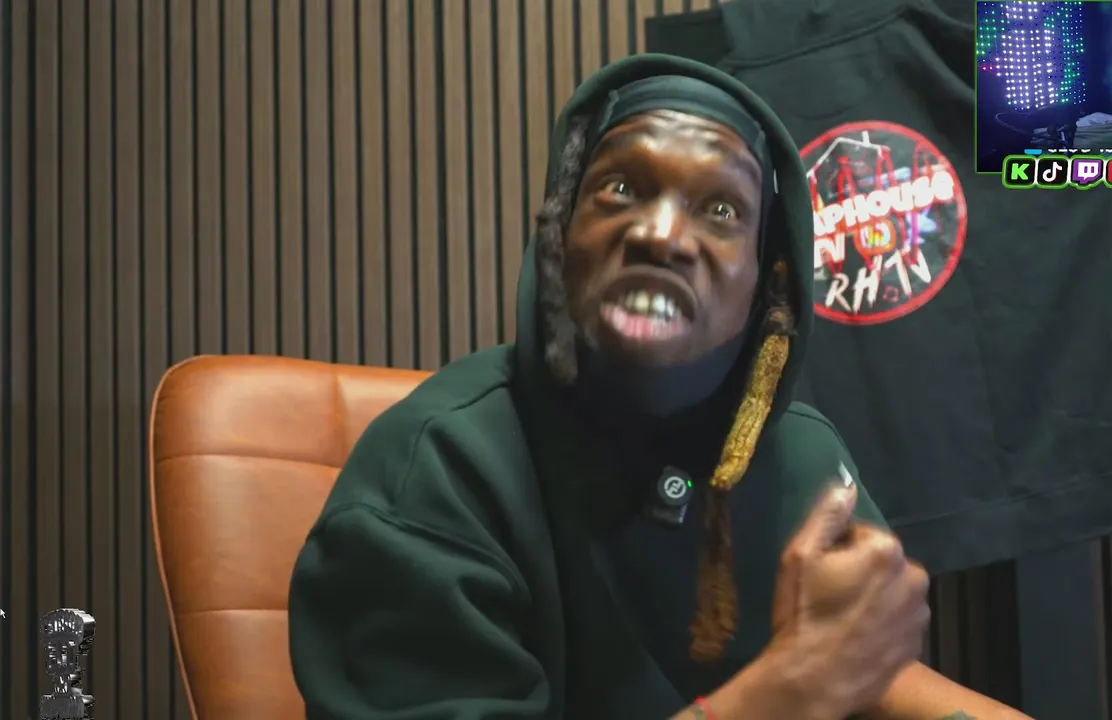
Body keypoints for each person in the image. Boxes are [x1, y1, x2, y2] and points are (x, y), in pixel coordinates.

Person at [288, 54, 1032, 720]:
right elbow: (810, 678)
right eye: (620, 188)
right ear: (557, 235)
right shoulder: (436, 469)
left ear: (769, 281)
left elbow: (874, 681)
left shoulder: (800, 454)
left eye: (720, 210)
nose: (661, 235)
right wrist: (787, 690)